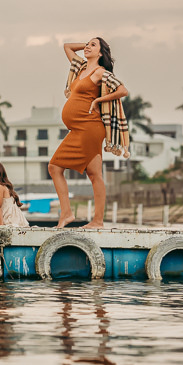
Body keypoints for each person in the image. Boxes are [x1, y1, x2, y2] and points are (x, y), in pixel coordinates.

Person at [49, 38, 130, 229]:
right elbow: (67, 47)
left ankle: (70, 214)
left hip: (88, 127)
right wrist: (87, 43)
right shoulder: (80, 68)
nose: (87, 47)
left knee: (54, 167)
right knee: (94, 174)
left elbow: (122, 90)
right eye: (87, 45)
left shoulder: (100, 72)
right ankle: (96, 221)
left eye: (93, 46)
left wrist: (99, 100)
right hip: (81, 128)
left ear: (101, 53)